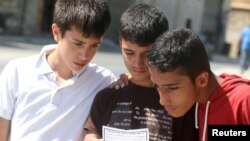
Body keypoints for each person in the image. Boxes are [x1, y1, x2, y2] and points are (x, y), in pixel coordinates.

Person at [0, 0, 118, 140]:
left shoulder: (104, 81)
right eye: (78, 43)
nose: (84, 55)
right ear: (56, 32)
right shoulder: (17, 71)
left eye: (94, 46)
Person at [84, 4, 198, 141]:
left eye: (147, 54)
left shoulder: (178, 100)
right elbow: (91, 134)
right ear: (120, 43)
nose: (138, 63)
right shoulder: (108, 96)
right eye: (129, 52)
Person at [147, 28, 250, 141]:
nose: (162, 100)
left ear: (202, 80)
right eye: (157, 86)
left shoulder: (243, 100)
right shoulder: (195, 101)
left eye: (172, 88)